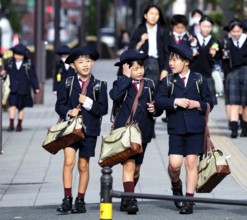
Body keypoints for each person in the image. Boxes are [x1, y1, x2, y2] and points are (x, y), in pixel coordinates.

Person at [154, 43, 213, 214]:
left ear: (186, 61)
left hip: (196, 128)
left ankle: (188, 200)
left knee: (191, 163)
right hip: (176, 128)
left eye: (175, 60)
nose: (171, 64)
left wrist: (199, 104)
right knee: (174, 165)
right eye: (170, 60)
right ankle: (176, 185)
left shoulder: (199, 79)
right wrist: (174, 102)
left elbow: (209, 102)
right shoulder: (168, 81)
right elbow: (158, 101)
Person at [55, 46, 108, 214]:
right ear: (73, 66)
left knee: (83, 165)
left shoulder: (99, 85)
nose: (85, 65)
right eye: (80, 62)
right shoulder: (68, 83)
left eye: (88, 61)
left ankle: (80, 199)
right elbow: (59, 105)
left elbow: (103, 109)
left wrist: (88, 102)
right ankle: (67, 198)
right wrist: (68, 111)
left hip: (90, 130)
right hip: (71, 129)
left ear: (92, 62)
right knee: (68, 162)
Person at [110, 49, 162, 215]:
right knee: (129, 164)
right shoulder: (120, 83)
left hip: (143, 131)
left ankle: (127, 195)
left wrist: (155, 110)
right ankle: (131, 199)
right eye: (134, 68)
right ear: (126, 69)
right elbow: (115, 96)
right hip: (125, 131)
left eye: (141, 67)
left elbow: (157, 107)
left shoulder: (149, 84)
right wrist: (125, 78)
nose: (139, 71)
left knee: (137, 168)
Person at [221, 19, 247, 138]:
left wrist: (242, 61)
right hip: (232, 73)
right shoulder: (226, 42)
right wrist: (226, 74)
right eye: (233, 31)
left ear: (242, 30)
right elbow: (223, 60)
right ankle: (233, 130)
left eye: (238, 31)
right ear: (230, 31)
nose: (236, 33)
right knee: (233, 102)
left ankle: (245, 129)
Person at [162, 14, 198, 123]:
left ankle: (182, 112)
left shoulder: (190, 37)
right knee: (168, 89)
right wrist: (164, 69)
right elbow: (164, 53)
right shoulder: (166, 36)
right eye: (178, 27)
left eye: (182, 27)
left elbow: (194, 53)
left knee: (181, 89)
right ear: (173, 26)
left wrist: (194, 45)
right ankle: (169, 111)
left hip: (184, 68)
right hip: (169, 67)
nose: (180, 30)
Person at [0, 44, 40, 132]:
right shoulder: (10, 63)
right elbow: (5, 73)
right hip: (12, 88)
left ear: (24, 56)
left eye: (20, 55)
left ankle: (19, 124)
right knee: (12, 106)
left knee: (21, 107)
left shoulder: (28, 64)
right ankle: (11, 124)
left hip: (24, 88)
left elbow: (33, 76)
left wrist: (36, 87)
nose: (18, 57)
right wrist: (3, 73)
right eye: (16, 54)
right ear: (13, 54)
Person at [128, 4, 169, 86]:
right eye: (151, 13)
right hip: (142, 63)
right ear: (145, 15)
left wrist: (165, 70)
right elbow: (131, 50)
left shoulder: (163, 31)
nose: (154, 16)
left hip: (158, 63)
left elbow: (168, 52)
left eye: (156, 14)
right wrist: (141, 41)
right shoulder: (139, 30)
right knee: (142, 90)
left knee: (156, 90)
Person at [190, 15, 222, 106]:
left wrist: (214, 55)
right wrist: (192, 49)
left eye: (209, 27)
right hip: (193, 76)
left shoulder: (215, 42)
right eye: (204, 26)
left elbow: (219, 58)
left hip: (208, 76)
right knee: (192, 104)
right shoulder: (192, 39)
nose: (206, 29)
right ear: (199, 26)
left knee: (207, 105)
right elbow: (186, 56)